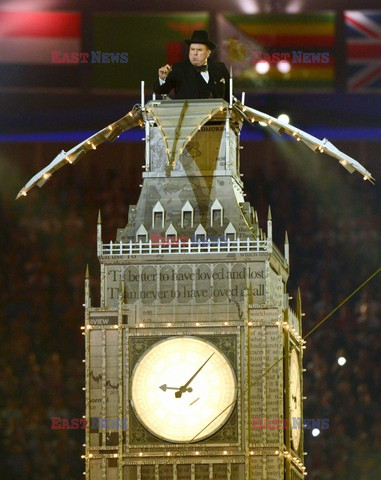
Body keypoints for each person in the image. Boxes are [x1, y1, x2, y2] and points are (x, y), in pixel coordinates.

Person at [154, 30, 230, 102]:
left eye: (199, 50)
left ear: (208, 53)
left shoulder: (220, 68)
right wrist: (162, 78)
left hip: (217, 115)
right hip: (188, 115)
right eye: (192, 49)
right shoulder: (179, 68)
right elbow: (161, 91)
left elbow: (229, 95)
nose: (195, 53)